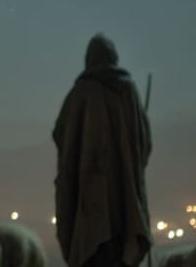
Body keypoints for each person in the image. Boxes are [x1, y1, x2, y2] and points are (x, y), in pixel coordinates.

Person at [50, 34, 153, 267]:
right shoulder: (129, 91)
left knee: (92, 250)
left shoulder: (82, 92)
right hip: (124, 199)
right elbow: (145, 144)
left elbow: (61, 134)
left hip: (90, 200)